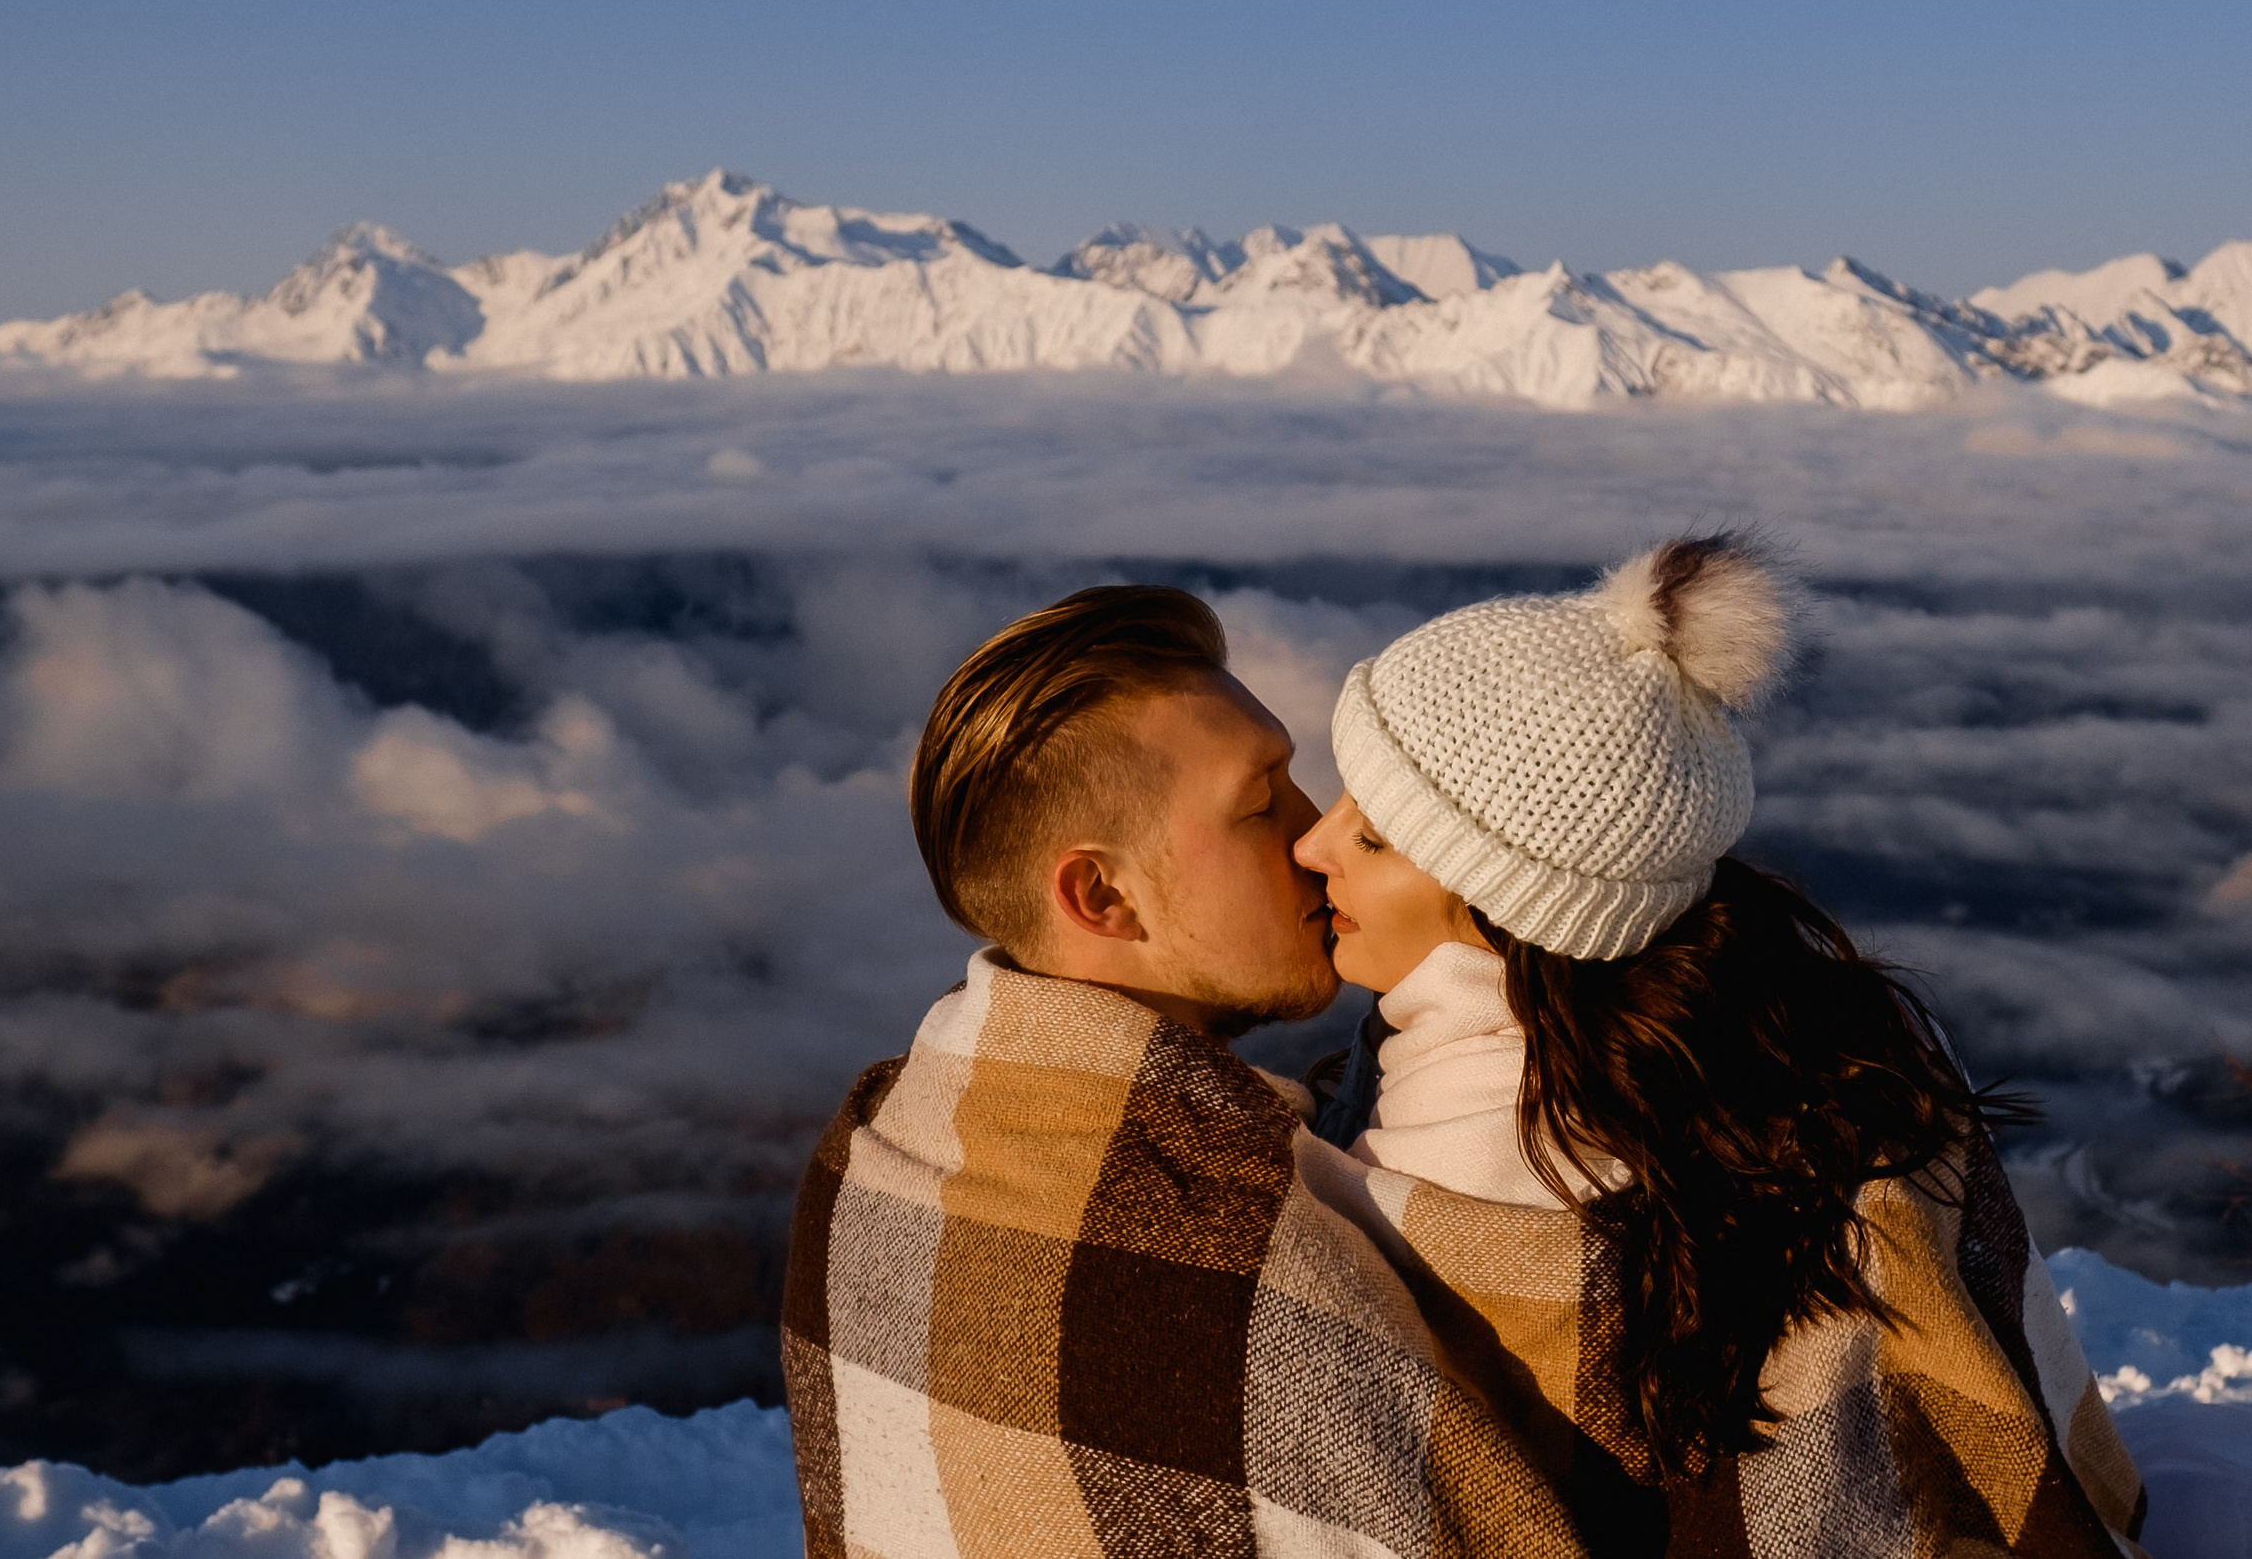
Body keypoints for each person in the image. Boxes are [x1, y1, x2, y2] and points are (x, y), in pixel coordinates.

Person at [1293, 533, 2151, 1555]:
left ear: (1507, 902)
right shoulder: (1749, 1047)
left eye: (1373, 836)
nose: (1312, 845)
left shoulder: (1477, 1142)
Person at [781, 585, 1601, 1558]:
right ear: (1101, 896)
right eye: (1260, 804)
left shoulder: (868, 1160)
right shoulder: (1256, 1282)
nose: (1310, 837)